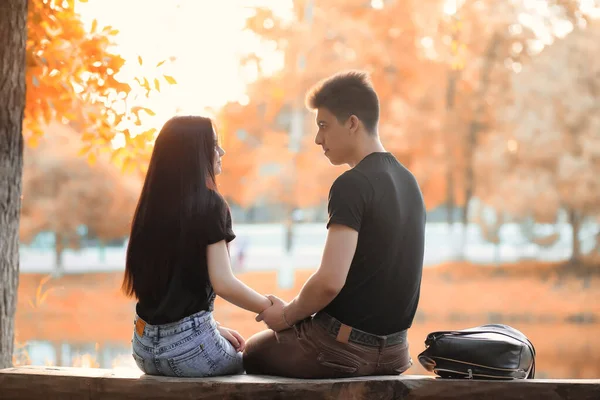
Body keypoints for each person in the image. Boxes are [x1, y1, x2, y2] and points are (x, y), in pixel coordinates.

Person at [243, 71, 426, 378]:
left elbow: (329, 281)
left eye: (323, 126)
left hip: (340, 350)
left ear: (352, 123)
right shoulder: (409, 182)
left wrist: (287, 316)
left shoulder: (351, 184)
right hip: (396, 352)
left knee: (251, 350)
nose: (318, 139)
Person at [121, 116, 272, 377]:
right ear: (193, 154)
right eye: (213, 145)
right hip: (190, 349)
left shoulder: (149, 207)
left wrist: (211, 329)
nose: (221, 152)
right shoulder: (211, 204)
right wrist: (269, 307)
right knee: (260, 365)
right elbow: (224, 283)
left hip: (143, 349)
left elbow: (171, 296)